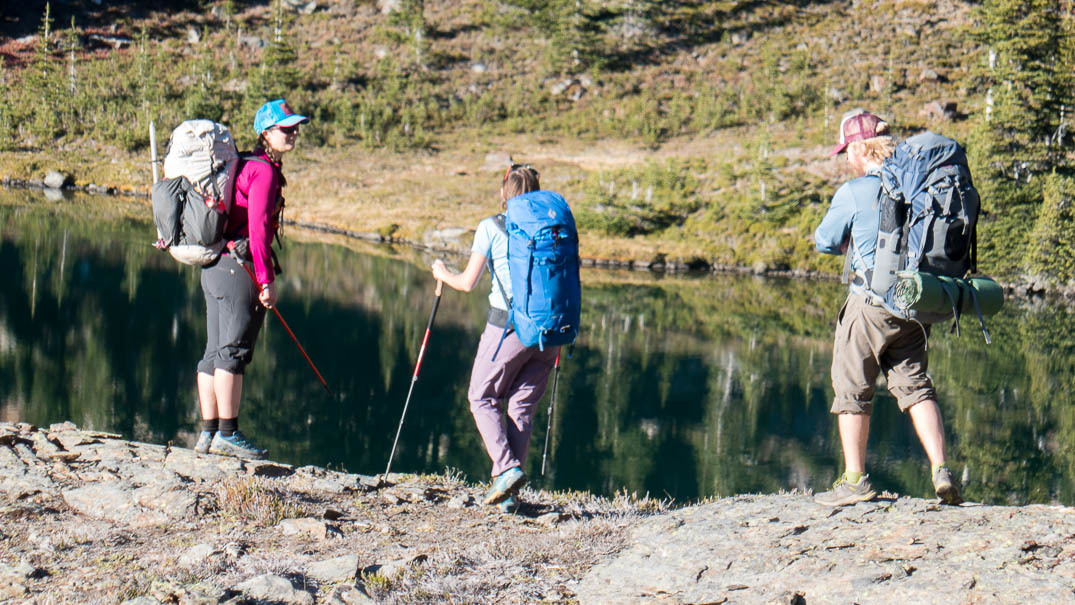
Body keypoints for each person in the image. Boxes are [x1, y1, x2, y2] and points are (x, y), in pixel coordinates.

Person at [813, 109, 962, 507]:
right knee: (915, 385)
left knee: (852, 388)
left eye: (847, 150)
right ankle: (941, 470)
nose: (846, 158)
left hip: (869, 305)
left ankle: (854, 480)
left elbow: (824, 240)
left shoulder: (854, 192)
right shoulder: (917, 185)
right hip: (913, 304)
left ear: (862, 148)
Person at [431, 164, 560, 514]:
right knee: (520, 407)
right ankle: (509, 497)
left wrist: (442, 272)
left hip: (508, 328)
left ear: (505, 193)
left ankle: (505, 469)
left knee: (480, 396)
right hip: (549, 333)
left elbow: (467, 283)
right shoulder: (552, 228)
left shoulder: (492, 227)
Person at [193, 99, 309, 458]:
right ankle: (228, 433)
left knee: (214, 352)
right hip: (239, 269)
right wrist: (266, 280)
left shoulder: (243, 164)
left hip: (216, 266)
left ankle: (208, 433)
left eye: (295, 127)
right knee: (233, 353)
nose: (293, 133)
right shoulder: (264, 172)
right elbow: (258, 231)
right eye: (286, 128)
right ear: (266, 133)